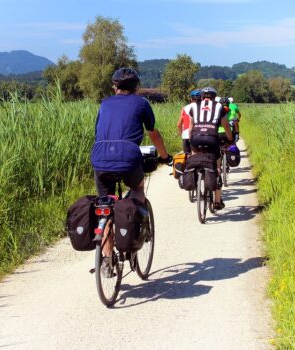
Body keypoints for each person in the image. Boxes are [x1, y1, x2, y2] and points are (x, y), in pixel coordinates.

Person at [90, 67, 171, 274]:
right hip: (128, 157)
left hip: (99, 157)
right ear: (136, 86)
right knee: (137, 188)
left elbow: (99, 132)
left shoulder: (104, 104)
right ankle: (135, 234)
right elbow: (154, 135)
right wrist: (165, 157)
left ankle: (106, 260)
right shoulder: (141, 103)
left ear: (114, 86)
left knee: (105, 204)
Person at [189, 86, 233, 210]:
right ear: (214, 96)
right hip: (212, 138)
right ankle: (217, 201)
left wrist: (190, 141)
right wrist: (230, 139)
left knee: (195, 158)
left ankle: (197, 178)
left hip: (196, 138)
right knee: (217, 167)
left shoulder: (194, 106)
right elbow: (225, 126)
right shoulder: (219, 106)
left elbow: (191, 127)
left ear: (202, 96)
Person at [177, 90, 202, 154]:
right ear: (201, 99)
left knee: (186, 155)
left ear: (191, 99)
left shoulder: (185, 108)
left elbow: (179, 124)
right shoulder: (203, 108)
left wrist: (180, 133)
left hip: (186, 135)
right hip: (199, 135)